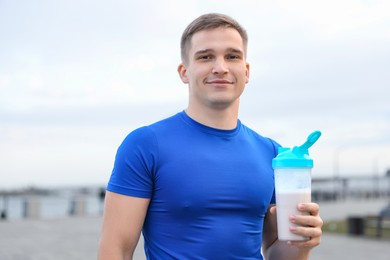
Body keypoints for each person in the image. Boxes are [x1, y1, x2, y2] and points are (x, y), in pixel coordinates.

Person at [98, 13, 323, 260]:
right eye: (206, 57)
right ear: (184, 72)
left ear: (246, 71)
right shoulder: (145, 145)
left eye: (232, 56)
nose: (220, 67)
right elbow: (115, 250)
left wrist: (302, 245)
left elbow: (275, 250)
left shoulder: (273, 154)